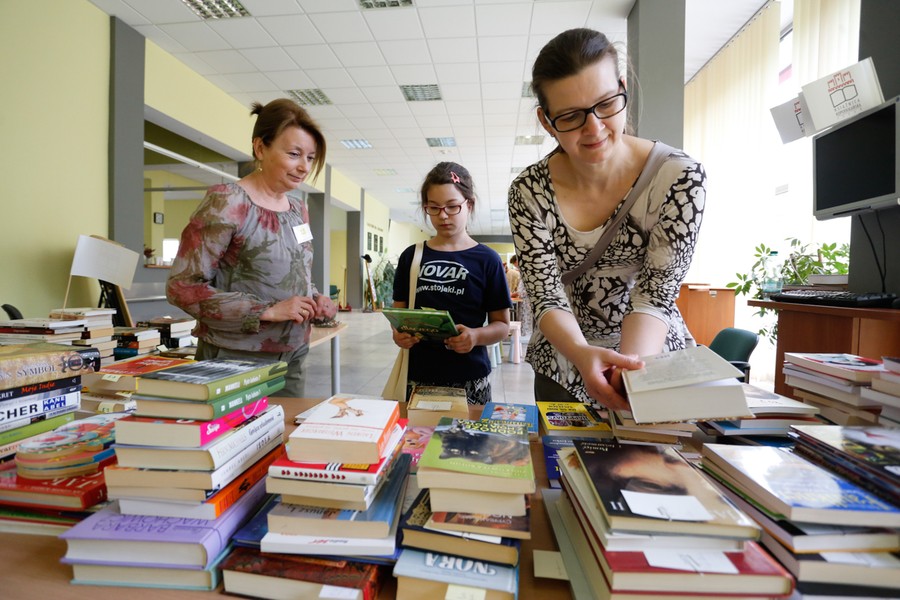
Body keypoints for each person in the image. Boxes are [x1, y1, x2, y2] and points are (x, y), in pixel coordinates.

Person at [508, 28, 707, 410]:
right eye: (570, 116)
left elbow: (655, 292)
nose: (594, 128)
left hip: (650, 361)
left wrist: (628, 370)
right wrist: (583, 355)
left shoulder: (679, 178)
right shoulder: (529, 191)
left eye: (606, 104)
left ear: (621, 87)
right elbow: (546, 294)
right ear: (547, 121)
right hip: (564, 364)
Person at [166, 98, 336, 398]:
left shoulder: (298, 209)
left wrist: (315, 299)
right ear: (260, 148)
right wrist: (266, 311)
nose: (303, 167)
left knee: (282, 441)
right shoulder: (227, 202)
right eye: (294, 154)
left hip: (293, 354)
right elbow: (182, 287)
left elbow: (296, 273)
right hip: (236, 358)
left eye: (310, 157)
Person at [391, 162, 511, 406]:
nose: (443, 216)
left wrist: (476, 336)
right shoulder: (411, 256)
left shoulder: (487, 260)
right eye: (433, 208)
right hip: (418, 377)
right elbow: (399, 316)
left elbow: (501, 326)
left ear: (470, 204)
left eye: (452, 207)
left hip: (470, 377)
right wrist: (398, 335)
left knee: (470, 443)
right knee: (418, 442)